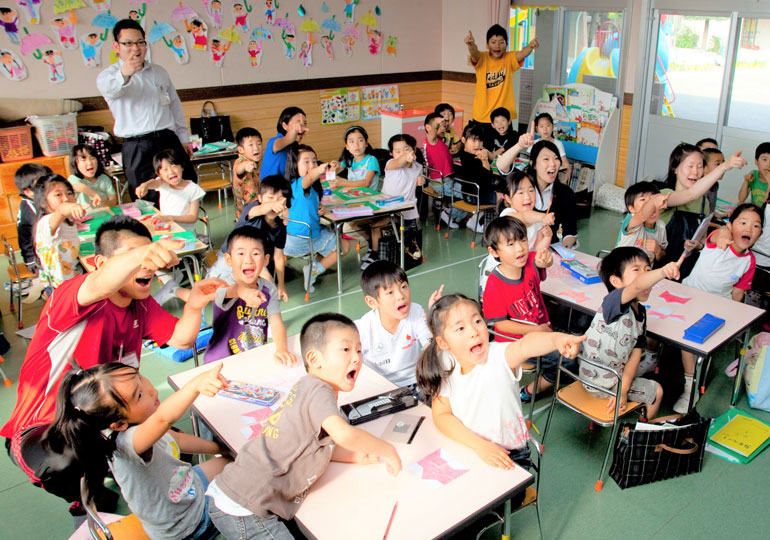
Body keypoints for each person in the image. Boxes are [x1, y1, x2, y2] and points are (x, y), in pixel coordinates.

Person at [2, 215, 225, 475]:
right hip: (45, 428)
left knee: (163, 440)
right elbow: (102, 282)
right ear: (100, 263)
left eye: (147, 254)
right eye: (132, 254)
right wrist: (141, 254)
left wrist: (194, 305)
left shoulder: (140, 302)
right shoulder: (74, 295)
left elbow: (182, 338)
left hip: (109, 416)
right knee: (74, 465)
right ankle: (86, 504)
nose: (146, 264)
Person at [205, 313, 402, 540]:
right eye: (346, 350)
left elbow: (313, 440)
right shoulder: (319, 390)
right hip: (245, 508)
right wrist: (388, 450)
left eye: (358, 350)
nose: (357, 358)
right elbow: (342, 433)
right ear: (315, 359)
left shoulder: (308, 386)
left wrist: (352, 456)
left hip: (237, 495)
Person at [416, 293, 584, 506]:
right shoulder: (446, 364)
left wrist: (556, 339)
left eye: (477, 321)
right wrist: (480, 446)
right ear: (443, 342)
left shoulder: (499, 356)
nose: (474, 331)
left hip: (510, 455)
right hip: (469, 450)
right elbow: (441, 415)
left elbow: (527, 344)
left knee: (483, 509)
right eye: (460, 328)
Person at [38, 362, 231, 539]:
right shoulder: (126, 443)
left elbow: (177, 439)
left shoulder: (134, 425)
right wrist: (196, 384)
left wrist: (222, 448)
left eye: (139, 377)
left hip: (184, 489)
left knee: (231, 461)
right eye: (139, 395)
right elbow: (164, 418)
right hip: (187, 525)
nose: (150, 390)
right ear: (119, 424)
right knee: (254, 481)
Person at [97, 19, 196, 204]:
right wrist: (125, 73)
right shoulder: (108, 76)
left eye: (140, 42)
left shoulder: (159, 72)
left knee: (185, 191)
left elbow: (174, 104)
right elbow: (112, 90)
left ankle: (186, 231)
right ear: (116, 46)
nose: (135, 48)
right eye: (128, 43)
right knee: (146, 197)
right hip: (137, 146)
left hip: (167, 139)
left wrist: (184, 138)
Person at [677, 203, 762, 413]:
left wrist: (733, 320)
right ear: (732, 225)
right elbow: (719, 233)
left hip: (714, 308)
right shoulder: (718, 240)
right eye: (743, 223)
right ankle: (651, 357)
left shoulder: (749, 261)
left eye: (756, 226)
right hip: (688, 295)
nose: (749, 229)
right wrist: (724, 233)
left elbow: (737, 293)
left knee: (691, 338)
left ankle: (690, 386)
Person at [482, 216, 572, 403]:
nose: (520, 248)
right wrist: (536, 330)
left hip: (542, 333)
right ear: (494, 251)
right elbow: (501, 325)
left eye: (522, 240)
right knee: (568, 363)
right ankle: (530, 391)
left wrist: (546, 259)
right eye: (511, 244)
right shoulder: (495, 283)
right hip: (515, 344)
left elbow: (541, 261)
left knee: (571, 347)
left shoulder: (529, 260)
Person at [580, 247, 677, 420]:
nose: (646, 276)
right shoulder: (613, 301)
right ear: (616, 282)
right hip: (599, 382)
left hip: (615, 374)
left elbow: (636, 352)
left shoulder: (641, 312)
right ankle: (640, 435)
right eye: (636, 270)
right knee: (657, 392)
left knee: (640, 368)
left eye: (648, 270)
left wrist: (623, 389)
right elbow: (638, 285)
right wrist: (662, 271)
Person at [205, 226, 294, 365]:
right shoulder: (222, 284)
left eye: (255, 254)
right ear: (228, 259)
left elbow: (276, 323)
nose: (248, 260)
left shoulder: (268, 288)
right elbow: (232, 290)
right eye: (241, 254)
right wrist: (243, 292)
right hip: (221, 362)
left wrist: (282, 348)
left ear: (265, 260)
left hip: (253, 358)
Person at [657, 143, 746, 276]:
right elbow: (691, 194)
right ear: (675, 168)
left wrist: (697, 245)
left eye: (700, 167)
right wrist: (724, 166)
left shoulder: (703, 202)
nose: (695, 172)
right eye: (690, 166)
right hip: (660, 265)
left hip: (686, 269)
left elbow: (703, 238)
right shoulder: (665, 195)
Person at [355, 260, 443, 390]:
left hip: (417, 383)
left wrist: (434, 316)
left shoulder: (416, 311)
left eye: (403, 287)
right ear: (372, 302)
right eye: (390, 292)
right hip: (380, 389)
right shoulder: (362, 328)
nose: (401, 296)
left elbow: (430, 344)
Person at [478, 170, 554, 300]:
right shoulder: (508, 214)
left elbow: (538, 250)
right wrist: (543, 216)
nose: (527, 197)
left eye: (531, 190)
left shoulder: (535, 221)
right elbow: (524, 217)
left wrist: (547, 237)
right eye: (520, 192)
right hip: (498, 279)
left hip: (519, 276)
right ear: (507, 199)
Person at [284, 144, 348, 292]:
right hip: (301, 239)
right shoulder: (299, 183)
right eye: (306, 161)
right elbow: (311, 176)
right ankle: (314, 270)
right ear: (294, 165)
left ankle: (314, 268)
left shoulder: (310, 187)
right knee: (343, 246)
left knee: (336, 240)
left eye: (314, 160)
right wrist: (321, 168)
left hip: (301, 236)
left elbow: (306, 205)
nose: (311, 165)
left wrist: (320, 209)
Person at [498, 136, 578, 248]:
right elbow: (502, 166)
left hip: (546, 249)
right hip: (516, 251)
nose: (553, 164)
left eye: (556, 158)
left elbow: (570, 231)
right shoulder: (522, 184)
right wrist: (520, 145)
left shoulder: (565, 193)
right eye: (546, 159)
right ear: (533, 164)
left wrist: (565, 248)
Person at [464, 24, 538, 127]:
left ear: (506, 44)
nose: (497, 46)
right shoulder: (482, 58)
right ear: (487, 45)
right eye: (493, 42)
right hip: (482, 117)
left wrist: (530, 46)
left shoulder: (509, 58)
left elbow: (522, 54)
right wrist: (471, 45)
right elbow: (474, 53)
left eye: (501, 42)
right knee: (479, 143)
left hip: (503, 119)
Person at [33, 174, 89, 289]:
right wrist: (71, 207)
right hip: (59, 285)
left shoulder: (66, 220)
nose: (66, 198)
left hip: (73, 276)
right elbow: (61, 211)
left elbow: (63, 215)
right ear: (43, 202)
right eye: (58, 194)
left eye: (69, 193)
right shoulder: (45, 223)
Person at [135, 149, 206, 232]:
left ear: (182, 167)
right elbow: (154, 182)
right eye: (165, 170)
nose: (171, 171)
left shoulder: (193, 189)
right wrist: (145, 185)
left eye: (174, 166)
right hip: (165, 230)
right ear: (159, 174)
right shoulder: (163, 184)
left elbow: (193, 217)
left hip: (185, 233)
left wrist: (169, 218)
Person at [452, 123, 500, 233]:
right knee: (505, 198)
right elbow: (488, 179)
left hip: (469, 194)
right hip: (475, 196)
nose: (477, 144)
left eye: (480, 141)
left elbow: (492, 158)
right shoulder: (471, 159)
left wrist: (485, 152)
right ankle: (491, 227)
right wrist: (484, 160)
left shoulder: (466, 154)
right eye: (473, 141)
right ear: (464, 140)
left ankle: (475, 220)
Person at [616, 181, 669, 263]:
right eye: (642, 199)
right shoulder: (632, 219)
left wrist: (658, 251)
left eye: (652, 199)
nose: (650, 204)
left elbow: (661, 258)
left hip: (644, 273)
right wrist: (654, 201)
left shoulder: (661, 226)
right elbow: (643, 214)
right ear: (632, 209)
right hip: (621, 269)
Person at [14, 162, 51, 274]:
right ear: (29, 192)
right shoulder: (30, 208)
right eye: (42, 184)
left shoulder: (32, 201)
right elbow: (48, 229)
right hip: (37, 260)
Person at [261, 106, 308, 179]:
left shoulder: (296, 147)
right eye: (298, 122)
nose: (302, 126)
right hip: (271, 189)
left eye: (304, 123)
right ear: (285, 126)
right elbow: (287, 139)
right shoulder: (274, 142)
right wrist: (294, 132)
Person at [335, 125, 380, 189]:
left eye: (360, 140)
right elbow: (331, 175)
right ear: (347, 146)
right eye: (352, 141)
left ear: (366, 143)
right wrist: (334, 166)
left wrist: (343, 183)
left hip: (369, 197)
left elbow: (366, 183)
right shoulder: (348, 160)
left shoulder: (371, 160)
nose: (356, 145)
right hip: (353, 194)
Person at [232, 127, 263, 219]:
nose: (256, 148)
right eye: (251, 145)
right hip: (247, 207)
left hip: (257, 202)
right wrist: (245, 166)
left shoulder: (255, 161)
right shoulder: (241, 161)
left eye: (259, 143)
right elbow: (239, 170)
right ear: (241, 150)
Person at [530, 113, 570, 181]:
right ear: (537, 128)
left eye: (548, 125)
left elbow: (566, 166)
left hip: (553, 178)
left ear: (553, 126)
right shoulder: (533, 143)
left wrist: (563, 182)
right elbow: (529, 163)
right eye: (541, 126)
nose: (545, 129)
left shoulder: (558, 144)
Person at [738, 142, 770, 207]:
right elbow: (741, 199)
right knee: (739, 205)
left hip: (767, 212)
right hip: (755, 213)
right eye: (764, 160)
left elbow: (767, 205)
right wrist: (746, 181)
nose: (768, 165)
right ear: (756, 161)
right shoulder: (754, 174)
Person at [702, 147, 725, 217]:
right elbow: (700, 217)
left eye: (723, 163)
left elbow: (709, 210)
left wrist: (718, 215)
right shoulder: (701, 189)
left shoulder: (715, 184)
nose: (723, 167)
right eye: (718, 164)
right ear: (704, 167)